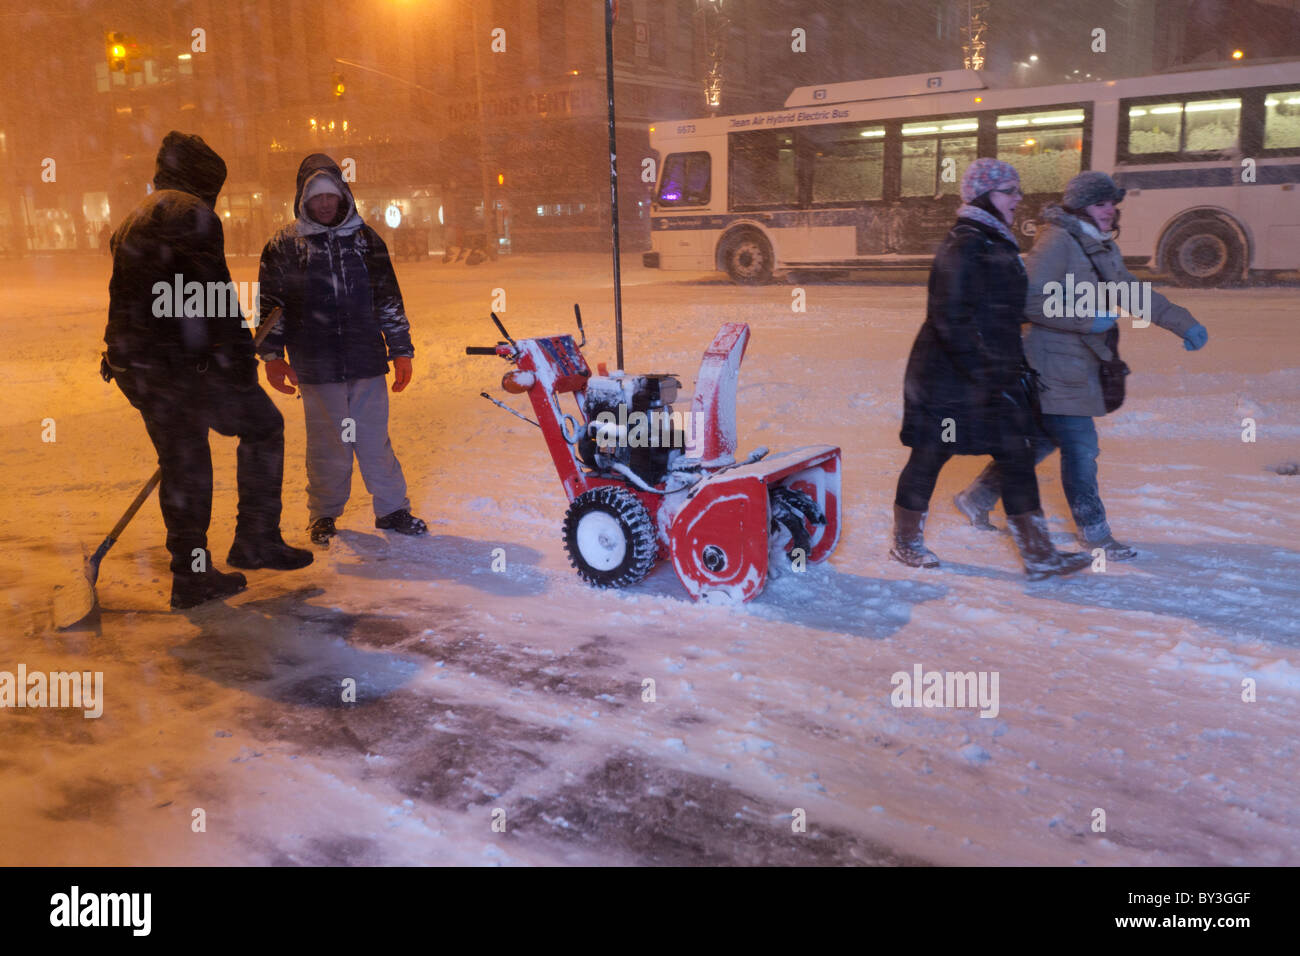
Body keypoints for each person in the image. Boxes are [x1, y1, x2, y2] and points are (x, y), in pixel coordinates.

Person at [103, 131, 313, 611]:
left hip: (140, 364)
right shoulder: (191, 213)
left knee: (185, 461)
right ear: (205, 180)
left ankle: (192, 574)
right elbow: (211, 295)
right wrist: (238, 359)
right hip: (183, 366)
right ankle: (254, 541)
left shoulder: (135, 216)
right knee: (261, 428)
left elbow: (130, 298)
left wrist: (118, 353)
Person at [953, 171, 1208, 559]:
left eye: (1112, 203)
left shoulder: (1099, 244)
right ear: (1080, 206)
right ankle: (1095, 533)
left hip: (1079, 361)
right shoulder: (1057, 241)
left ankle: (977, 497)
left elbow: (1130, 291)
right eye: (1100, 203)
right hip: (1051, 362)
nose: (1110, 210)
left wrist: (1182, 322)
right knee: (1081, 446)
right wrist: (1086, 319)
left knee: (1044, 439)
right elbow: (1029, 300)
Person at [892, 158, 1091, 579]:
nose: (1019, 198)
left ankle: (1039, 554)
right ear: (984, 195)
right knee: (931, 453)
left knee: (1016, 453)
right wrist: (984, 370)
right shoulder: (966, 242)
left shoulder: (995, 240)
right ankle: (906, 543)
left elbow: (1001, 312)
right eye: (1010, 190)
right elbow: (949, 318)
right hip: (948, 376)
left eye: (1018, 190)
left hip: (990, 372)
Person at [256, 153, 426, 547]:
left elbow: (388, 300)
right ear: (303, 200)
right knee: (327, 442)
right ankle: (324, 514)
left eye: (332, 195)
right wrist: (271, 357)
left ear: (344, 195)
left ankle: (392, 509)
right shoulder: (284, 245)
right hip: (315, 366)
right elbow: (270, 306)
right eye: (317, 198)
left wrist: (401, 350)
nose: (326, 204)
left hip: (365, 360)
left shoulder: (366, 241)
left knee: (373, 438)